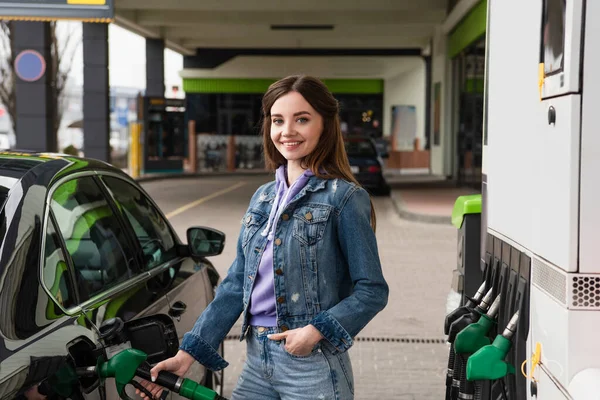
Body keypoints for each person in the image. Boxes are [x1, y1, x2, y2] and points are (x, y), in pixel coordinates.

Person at [138, 75, 389, 399]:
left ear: (325, 125)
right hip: (258, 359)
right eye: (278, 120)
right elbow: (235, 285)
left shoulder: (342, 198)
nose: (287, 131)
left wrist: (316, 331)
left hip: (310, 363)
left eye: (302, 119)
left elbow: (372, 290)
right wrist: (190, 354)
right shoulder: (263, 197)